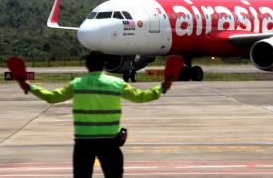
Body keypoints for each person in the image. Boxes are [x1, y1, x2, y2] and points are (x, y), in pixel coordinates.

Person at [15, 51, 173, 178]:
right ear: (105, 65)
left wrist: (27, 86)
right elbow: (141, 97)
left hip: (83, 144)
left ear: (86, 65)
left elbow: (51, 97)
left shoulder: (77, 84)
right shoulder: (116, 84)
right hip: (109, 143)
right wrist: (162, 87)